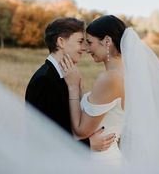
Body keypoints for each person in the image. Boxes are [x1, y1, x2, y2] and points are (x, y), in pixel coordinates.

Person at [61, 15, 159, 169]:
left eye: (90, 42)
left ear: (107, 41)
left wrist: (74, 87)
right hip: (111, 156)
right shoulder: (129, 74)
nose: (86, 49)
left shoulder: (110, 79)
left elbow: (81, 132)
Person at [25, 17, 115, 150]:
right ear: (61, 42)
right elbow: (44, 138)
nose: (84, 48)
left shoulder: (66, 76)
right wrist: (88, 145)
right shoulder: (44, 81)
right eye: (80, 41)